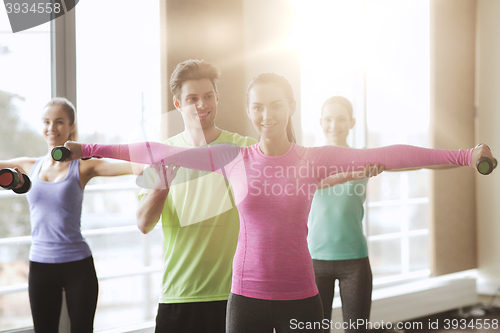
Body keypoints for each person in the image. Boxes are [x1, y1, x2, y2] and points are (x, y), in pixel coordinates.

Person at [59, 73, 495, 333]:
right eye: (258, 107)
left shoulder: (313, 160)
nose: (267, 115)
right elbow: (155, 151)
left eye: (276, 106)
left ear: (290, 108)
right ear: (249, 110)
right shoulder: (231, 157)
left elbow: (394, 156)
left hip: (301, 297)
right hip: (244, 298)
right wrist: (90, 148)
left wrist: (464, 155)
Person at [136, 59, 257, 333]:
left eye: (208, 96)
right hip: (179, 294)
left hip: (235, 294)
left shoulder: (244, 148)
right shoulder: (161, 154)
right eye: (192, 99)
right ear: (178, 104)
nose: (202, 105)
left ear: (217, 98)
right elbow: (143, 223)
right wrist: (162, 184)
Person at [0, 97, 133, 333]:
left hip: (77, 266)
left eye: (59, 122)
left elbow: (129, 165)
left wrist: (157, 161)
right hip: (40, 265)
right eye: (47, 121)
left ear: (71, 126)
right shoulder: (29, 165)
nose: (52, 128)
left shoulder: (82, 166)